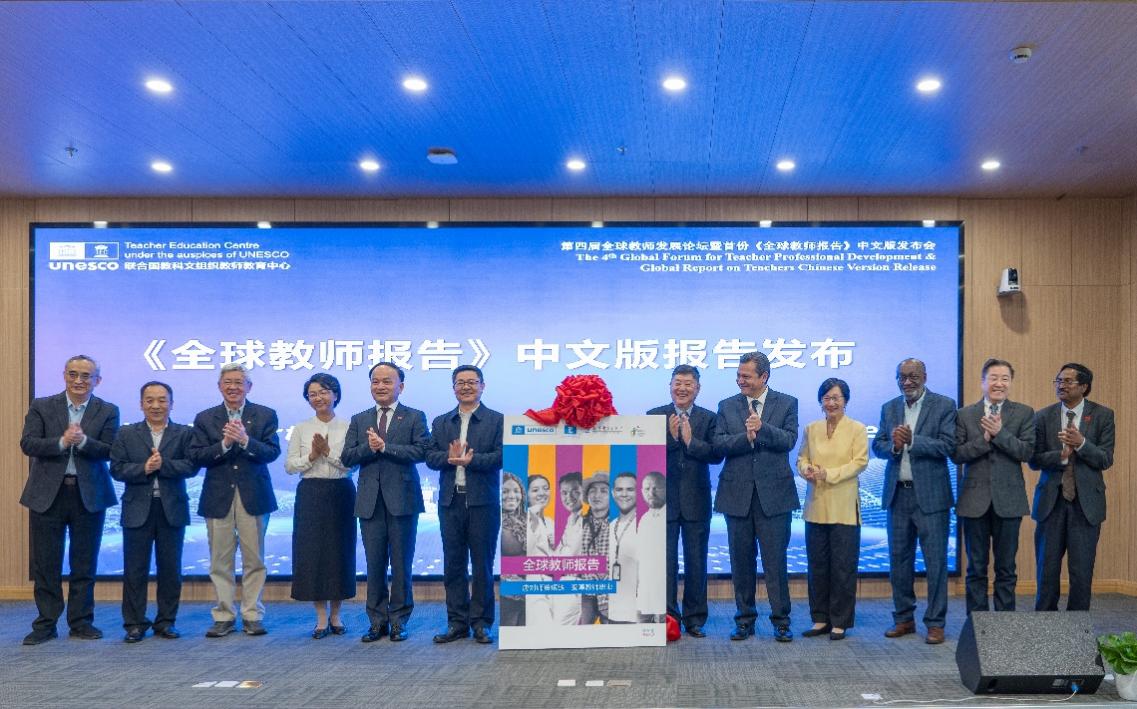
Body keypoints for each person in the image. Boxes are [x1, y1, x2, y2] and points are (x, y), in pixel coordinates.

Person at [19, 354, 119, 645]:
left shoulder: (108, 410)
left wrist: (83, 442)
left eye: (86, 376)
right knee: (46, 563)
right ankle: (45, 623)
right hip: (47, 494)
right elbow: (28, 443)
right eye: (73, 374)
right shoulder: (42, 406)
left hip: (89, 495)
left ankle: (81, 622)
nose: (79, 380)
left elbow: (111, 450)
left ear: (97, 380)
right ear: (64, 376)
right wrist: (62, 442)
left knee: (84, 562)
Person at [188, 363, 280, 638]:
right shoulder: (206, 418)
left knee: (255, 559)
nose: (233, 387)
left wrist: (244, 440)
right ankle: (224, 615)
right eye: (227, 382)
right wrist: (225, 445)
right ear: (219, 386)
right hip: (218, 497)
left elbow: (271, 452)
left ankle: (252, 615)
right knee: (220, 560)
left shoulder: (265, 414)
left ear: (248, 387)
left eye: (239, 382)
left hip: (254, 496)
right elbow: (197, 456)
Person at [713, 351, 799, 643]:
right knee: (741, 562)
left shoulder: (787, 403)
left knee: (775, 563)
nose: (741, 381)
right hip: (736, 496)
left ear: (764, 377)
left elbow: (789, 440)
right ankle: (744, 620)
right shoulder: (727, 405)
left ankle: (781, 621)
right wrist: (745, 438)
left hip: (774, 497)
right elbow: (719, 444)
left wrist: (762, 429)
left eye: (746, 376)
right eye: (738, 375)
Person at [341, 362, 429, 643]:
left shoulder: (414, 416)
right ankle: (377, 621)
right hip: (369, 501)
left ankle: (399, 621)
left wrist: (386, 447)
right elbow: (347, 457)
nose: (380, 386)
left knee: (402, 564)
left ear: (400, 386)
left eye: (387, 381)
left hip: (403, 499)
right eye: (375, 381)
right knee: (374, 564)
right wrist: (370, 448)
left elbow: (422, 451)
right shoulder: (359, 419)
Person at [872, 358, 956, 645]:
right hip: (898, 495)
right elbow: (878, 446)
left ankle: (935, 623)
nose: (907, 382)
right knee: (899, 561)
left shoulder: (944, 405)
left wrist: (913, 441)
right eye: (902, 377)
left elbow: (949, 445)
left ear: (924, 377)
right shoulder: (889, 408)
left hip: (932, 497)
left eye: (913, 376)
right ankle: (903, 618)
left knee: (936, 563)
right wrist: (895, 445)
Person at [110, 381, 199, 643]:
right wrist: (145, 468)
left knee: (170, 569)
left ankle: (166, 622)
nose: (156, 405)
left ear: (171, 403)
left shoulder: (184, 433)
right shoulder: (126, 433)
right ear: (141, 404)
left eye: (162, 400)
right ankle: (134, 624)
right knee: (134, 570)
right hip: (137, 509)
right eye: (150, 400)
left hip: (171, 509)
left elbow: (192, 466)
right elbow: (116, 469)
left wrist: (164, 465)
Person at [425, 365, 503, 645]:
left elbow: (502, 456)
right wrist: (449, 458)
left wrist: (473, 460)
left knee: (482, 565)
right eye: (460, 382)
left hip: (483, 502)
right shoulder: (441, 422)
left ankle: (482, 623)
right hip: (451, 501)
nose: (466, 387)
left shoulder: (496, 420)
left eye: (472, 382)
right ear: (453, 388)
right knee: (453, 565)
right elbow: (430, 457)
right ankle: (457, 623)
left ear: (482, 386)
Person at [1030, 363, 1115, 612]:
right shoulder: (1043, 416)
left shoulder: (1103, 415)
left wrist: (1082, 443)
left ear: (1084, 387)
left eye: (1067, 381)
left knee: (1081, 572)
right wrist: (1060, 456)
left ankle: (1077, 628)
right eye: (1058, 381)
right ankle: (1046, 625)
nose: (1061, 385)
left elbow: (1105, 459)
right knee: (1047, 570)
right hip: (1051, 504)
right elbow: (1033, 459)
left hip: (1086, 505)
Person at [952, 359, 1034, 614]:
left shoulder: (1024, 413)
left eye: (1005, 379)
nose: (999, 383)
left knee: (1006, 568)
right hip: (973, 501)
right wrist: (986, 439)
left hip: (1009, 501)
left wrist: (1001, 433)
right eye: (994, 378)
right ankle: (976, 622)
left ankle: (1004, 623)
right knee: (976, 567)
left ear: (1011, 382)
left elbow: (1027, 452)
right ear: (983, 382)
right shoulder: (965, 414)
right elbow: (957, 454)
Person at [647, 364, 722, 637]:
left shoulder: (709, 418)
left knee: (696, 562)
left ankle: (694, 619)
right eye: (677, 383)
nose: (682, 388)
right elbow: (646, 456)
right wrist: (670, 437)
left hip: (697, 501)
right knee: (665, 563)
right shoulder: (654, 416)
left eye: (688, 384)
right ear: (670, 386)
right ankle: (669, 616)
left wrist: (691, 442)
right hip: (662, 501)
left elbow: (716, 454)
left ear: (697, 389)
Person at [284, 373, 356, 639]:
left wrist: (328, 452)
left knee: (339, 552)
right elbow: (290, 466)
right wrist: (312, 455)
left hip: (341, 492)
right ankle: (321, 619)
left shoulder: (349, 427)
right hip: (310, 493)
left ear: (335, 395)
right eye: (312, 394)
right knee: (312, 554)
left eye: (324, 392)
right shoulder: (301, 428)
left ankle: (337, 616)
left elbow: (351, 465)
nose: (318, 398)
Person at [797, 378, 868, 641]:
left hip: (844, 507)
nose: (831, 403)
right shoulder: (811, 428)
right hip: (816, 506)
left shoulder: (857, 429)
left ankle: (840, 621)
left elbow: (859, 463)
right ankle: (820, 618)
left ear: (845, 400)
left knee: (843, 567)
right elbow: (802, 458)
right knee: (817, 566)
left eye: (836, 398)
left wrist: (828, 474)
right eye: (826, 398)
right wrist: (806, 469)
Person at [606, 472, 640, 623]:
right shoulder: (610, 526)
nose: (624, 494)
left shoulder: (645, 526)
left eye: (630, 489)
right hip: (611, 613)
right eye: (619, 490)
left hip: (638, 615)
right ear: (613, 493)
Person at [551, 471, 584, 625]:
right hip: (566, 580)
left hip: (579, 581)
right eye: (564, 493)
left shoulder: (590, 518)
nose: (569, 497)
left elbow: (569, 553)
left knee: (561, 627)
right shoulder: (571, 518)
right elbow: (560, 551)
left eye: (575, 491)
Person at [579, 471, 611, 624]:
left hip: (612, 591)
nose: (597, 495)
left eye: (603, 491)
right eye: (593, 490)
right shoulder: (578, 524)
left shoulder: (620, 523)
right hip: (585, 591)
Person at [524, 473, 555, 626]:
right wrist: (534, 524)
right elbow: (525, 553)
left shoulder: (550, 521)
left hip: (553, 584)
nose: (542, 493)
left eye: (545, 488)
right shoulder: (522, 520)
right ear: (526, 494)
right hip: (533, 583)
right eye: (535, 490)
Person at [636, 471, 666, 622]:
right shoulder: (644, 519)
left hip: (663, 593)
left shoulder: (670, 518)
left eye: (656, 488)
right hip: (644, 593)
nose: (651, 493)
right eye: (647, 489)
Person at [499, 472, 527, 627]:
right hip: (509, 591)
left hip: (532, 589)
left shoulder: (529, 519)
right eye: (505, 491)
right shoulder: (494, 521)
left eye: (516, 491)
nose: (511, 496)